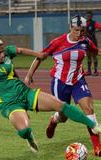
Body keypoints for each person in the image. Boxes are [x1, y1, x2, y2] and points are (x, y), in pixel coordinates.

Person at [0, 36, 101, 153]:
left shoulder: (6, 52)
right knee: (25, 130)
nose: (3, 54)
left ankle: (94, 125)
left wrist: (38, 55)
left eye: (3, 51)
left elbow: (20, 50)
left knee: (61, 105)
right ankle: (29, 137)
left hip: (25, 93)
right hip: (10, 104)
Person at [24, 15, 101, 156]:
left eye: (82, 31)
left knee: (89, 109)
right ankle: (54, 120)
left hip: (78, 80)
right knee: (64, 116)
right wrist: (29, 75)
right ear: (70, 27)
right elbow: (40, 57)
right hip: (60, 82)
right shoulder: (58, 42)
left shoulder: (86, 41)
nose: (80, 34)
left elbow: (96, 51)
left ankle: (97, 147)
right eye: (77, 30)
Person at [85, 11, 101, 76]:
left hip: (93, 42)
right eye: (87, 16)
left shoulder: (94, 23)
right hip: (86, 42)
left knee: (94, 56)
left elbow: (100, 27)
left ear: (92, 16)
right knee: (88, 57)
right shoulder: (84, 23)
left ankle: (95, 71)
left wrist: (97, 30)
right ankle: (89, 71)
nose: (88, 17)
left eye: (90, 16)